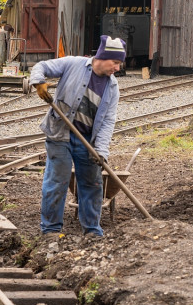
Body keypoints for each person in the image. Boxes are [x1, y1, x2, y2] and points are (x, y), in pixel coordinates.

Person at [29, 35, 125, 237]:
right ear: (102, 56)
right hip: (59, 133)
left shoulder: (112, 87)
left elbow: (108, 121)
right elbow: (42, 66)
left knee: (92, 183)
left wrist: (101, 151)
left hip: (87, 141)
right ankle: (51, 230)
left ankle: (92, 231)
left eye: (119, 64)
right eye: (115, 62)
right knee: (57, 181)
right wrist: (39, 82)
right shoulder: (73, 64)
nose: (117, 68)